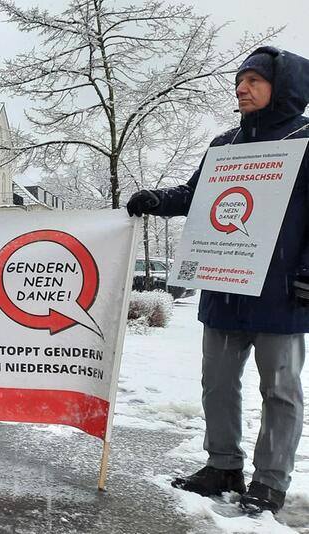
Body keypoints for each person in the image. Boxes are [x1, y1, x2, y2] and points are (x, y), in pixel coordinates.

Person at [126, 47, 309, 514]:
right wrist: (156, 199)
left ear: (283, 86)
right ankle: (223, 464)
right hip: (225, 284)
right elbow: (195, 195)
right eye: (238, 81)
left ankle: (269, 480)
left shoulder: (307, 140)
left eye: (253, 80)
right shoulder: (224, 145)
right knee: (218, 383)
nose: (241, 89)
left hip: (282, 292)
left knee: (281, 390)